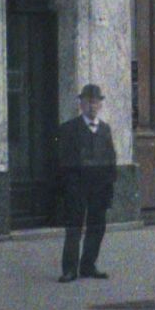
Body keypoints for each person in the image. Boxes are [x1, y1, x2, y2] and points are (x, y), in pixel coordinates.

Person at [56, 83, 117, 282]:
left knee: (97, 227)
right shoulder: (69, 129)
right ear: (80, 104)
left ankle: (88, 265)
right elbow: (63, 161)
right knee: (74, 227)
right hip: (77, 187)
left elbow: (111, 159)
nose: (92, 105)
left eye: (96, 102)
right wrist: (68, 188)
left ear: (100, 105)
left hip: (99, 188)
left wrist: (109, 187)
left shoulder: (105, 130)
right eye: (88, 101)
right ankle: (70, 269)